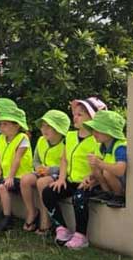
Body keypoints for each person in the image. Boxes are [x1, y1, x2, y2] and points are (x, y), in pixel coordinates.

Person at [40, 97, 106, 250]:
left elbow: (100, 165)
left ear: (92, 117)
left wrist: (91, 178)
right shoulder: (70, 136)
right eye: (74, 114)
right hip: (70, 180)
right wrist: (61, 178)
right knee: (48, 192)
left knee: (79, 197)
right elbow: (64, 160)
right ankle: (61, 228)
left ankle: (81, 235)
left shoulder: (96, 140)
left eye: (80, 115)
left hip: (88, 182)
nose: (75, 117)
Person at [0, 106, 34, 232]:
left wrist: (10, 176)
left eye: (5, 124)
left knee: (2, 187)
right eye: (1, 124)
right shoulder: (0, 139)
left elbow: (17, 159)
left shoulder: (23, 138)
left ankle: (7, 217)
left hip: (19, 176)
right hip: (5, 174)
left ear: (17, 126)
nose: (1, 127)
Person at [19, 109, 69, 233]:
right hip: (42, 172)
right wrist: (38, 168)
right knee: (25, 179)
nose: (44, 129)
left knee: (42, 183)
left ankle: (45, 220)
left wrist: (51, 170)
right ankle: (32, 212)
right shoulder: (41, 140)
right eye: (43, 126)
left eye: (49, 126)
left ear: (59, 129)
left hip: (58, 174)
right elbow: (35, 160)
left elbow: (68, 165)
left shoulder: (66, 144)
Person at [84, 110, 128, 207]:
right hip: (113, 180)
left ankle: (119, 196)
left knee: (106, 171)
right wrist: (90, 176)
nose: (94, 133)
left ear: (110, 132)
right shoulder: (103, 146)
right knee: (94, 165)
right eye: (93, 129)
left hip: (124, 185)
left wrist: (99, 163)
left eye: (98, 130)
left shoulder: (120, 147)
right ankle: (107, 193)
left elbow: (120, 170)